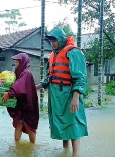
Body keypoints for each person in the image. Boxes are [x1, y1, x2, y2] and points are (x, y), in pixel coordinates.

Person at [36, 28, 88, 156]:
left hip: (69, 95)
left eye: (54, 40)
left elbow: (80, 77)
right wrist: (38, 86)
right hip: (56, 96)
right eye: (51, 41)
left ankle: (75, 154)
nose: (52, 43)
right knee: (62, 124)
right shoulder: (53, 55)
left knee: (73, 123)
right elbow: (50, 76)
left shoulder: (74, 53)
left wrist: (76, 96)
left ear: (61, 40)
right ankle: (65, 151)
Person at [2, 53, 39, 143]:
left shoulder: (26, 73)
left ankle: (32, 147)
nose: (16, 64)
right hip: (20, 105)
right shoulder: (17, 73)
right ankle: (17, 145)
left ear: (24, 63)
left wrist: (10, 93)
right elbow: (13, 83)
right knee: (19, 123)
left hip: (28, 106)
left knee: (30, 126)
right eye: (15, 62)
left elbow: (19, 86)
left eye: (18, 62)